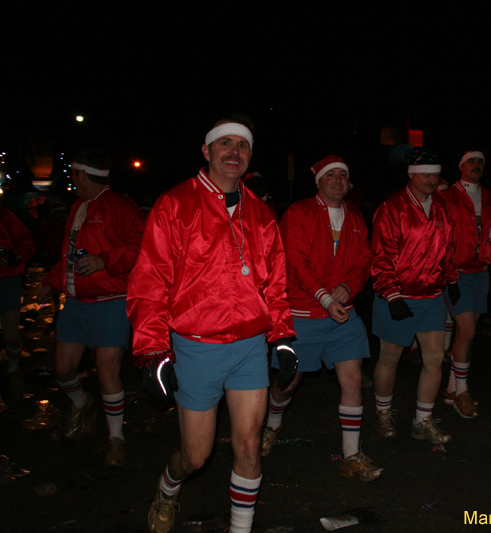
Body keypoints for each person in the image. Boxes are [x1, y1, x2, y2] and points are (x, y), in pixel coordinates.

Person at [127, 114, 298, 533]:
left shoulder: (261, 213)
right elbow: (150, 281)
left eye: (243, 145)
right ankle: (168, 489)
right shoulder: (175, 205)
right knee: (195, 457)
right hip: (196, 347)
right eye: (225, 143)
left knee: (249, 446)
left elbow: (274, 284)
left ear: (250, 155)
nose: (234, 152)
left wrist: (282, 336)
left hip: (249, 346)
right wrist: (153, 351)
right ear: (206, 151)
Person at [261, 155, 382, 481]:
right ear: (318, 181)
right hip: (303, 314)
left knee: (353, 381)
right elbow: (296, 262)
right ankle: (272, 425)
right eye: (331, 175)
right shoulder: (299, 213)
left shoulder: (355, 216)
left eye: (343, 174)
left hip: (343, 315)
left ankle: (351, 455)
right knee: (287, 384)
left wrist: (349, 286)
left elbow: (364, 260)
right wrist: (325, 297)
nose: (338, 180)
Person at [35, 150, 144, 465]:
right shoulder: (77, 208)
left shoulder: (120, 206)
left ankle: (115, 438)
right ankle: (82, 403)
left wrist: (104, 260)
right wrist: (52, 282)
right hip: (76, 304)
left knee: (107, 372)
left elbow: (142, 245)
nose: (71, 180)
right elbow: (68, 255)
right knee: (63, 369)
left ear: (81, 175)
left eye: (73, 174)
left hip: (111, 303)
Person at [370, 148, 459, 445]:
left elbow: (448, 247)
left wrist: (452, 279)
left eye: (435, 175)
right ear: (411, 175)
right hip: (399, 297)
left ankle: (422, 421)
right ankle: (383, 413)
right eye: (425, 175)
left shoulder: (442, 207)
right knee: (389, 359)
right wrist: (392, 295)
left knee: (434, 360)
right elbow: (381, 254)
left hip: (432, 297)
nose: (431, 180)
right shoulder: (392, 206)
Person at [439, 149, 491, 418]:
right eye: (472, 161)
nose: (477, 165)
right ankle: (462, 392)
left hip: (481, 272)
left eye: (480, 162)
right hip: (456, 272)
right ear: (461, 166)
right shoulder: (447, 196)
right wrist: (446, 270)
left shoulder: (490, 197)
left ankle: (451, 389)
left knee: (465, 333)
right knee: (467, 331)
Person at [0, 172, 35, 412]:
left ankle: (13, 369)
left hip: (6, 282)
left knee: (11, 336)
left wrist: (15, 256)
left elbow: (27, 244)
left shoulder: (4, 217)